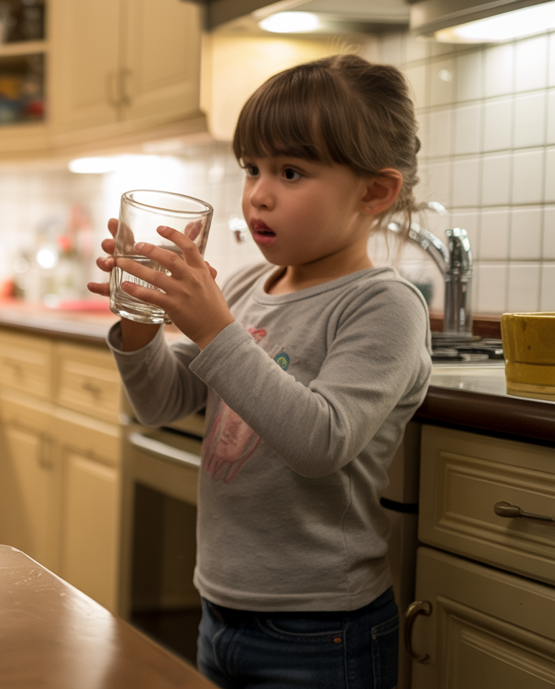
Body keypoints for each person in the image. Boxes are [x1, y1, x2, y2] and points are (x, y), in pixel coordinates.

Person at [88, 54, 431, 689]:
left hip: (326, 630)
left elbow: (320, 442)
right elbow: (161, 401)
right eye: (252, 169)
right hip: (221, 609)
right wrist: (138, 316)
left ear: (375, 192)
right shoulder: (250, 284)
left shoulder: (383, 306)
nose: (258, 194)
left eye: (291, 172)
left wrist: (215, 328)